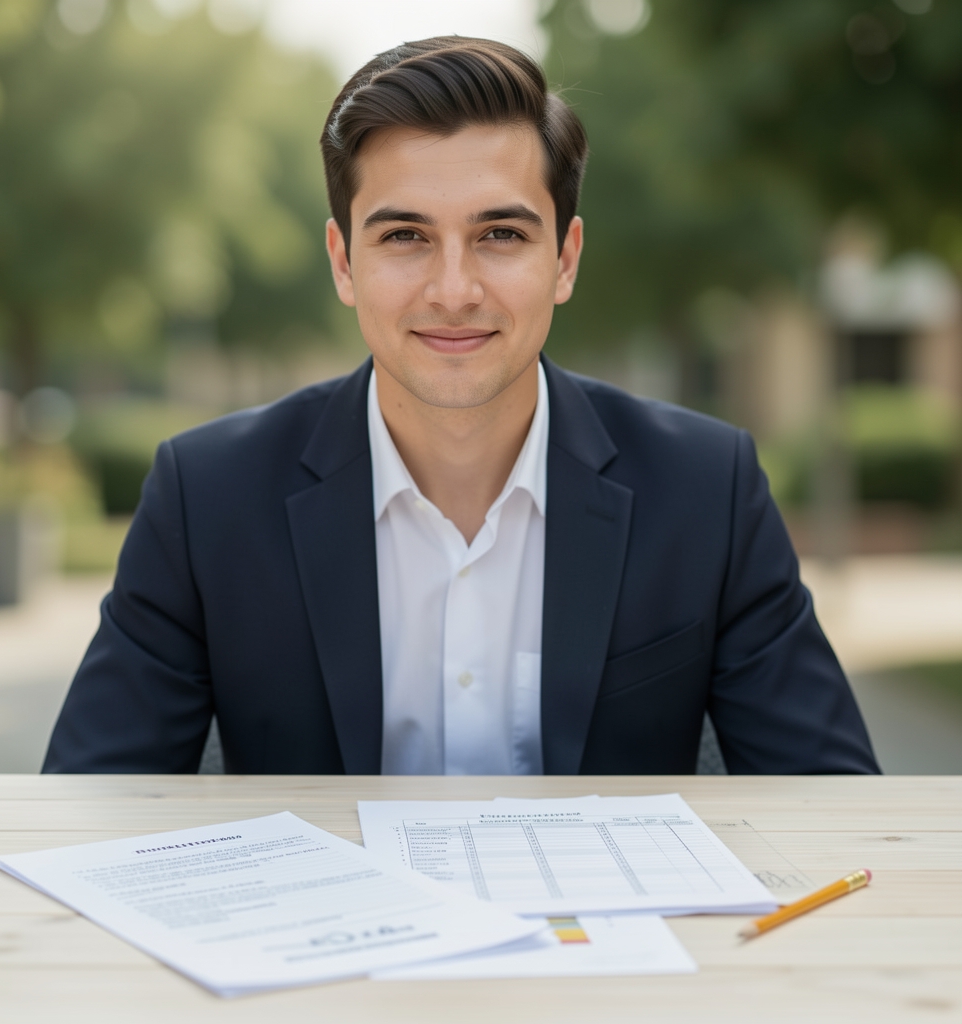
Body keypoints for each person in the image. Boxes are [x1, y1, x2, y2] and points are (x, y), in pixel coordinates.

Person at [44, 37, 878, 776]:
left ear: (565, 258)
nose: (453, 290)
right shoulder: (206, 497)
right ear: (343, 262)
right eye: (404, 236)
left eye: (501, 235)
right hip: (327, 950)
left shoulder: (707, 491)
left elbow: (838, 815)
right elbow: (90, 810)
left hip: (612, 951)